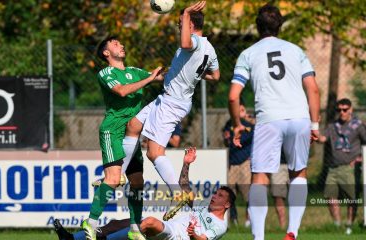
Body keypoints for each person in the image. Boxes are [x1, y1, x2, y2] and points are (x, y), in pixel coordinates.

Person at [118, 0, 220, 221]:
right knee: (133, 125)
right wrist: (192, 75)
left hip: (172, 103)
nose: (179, 26)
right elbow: (216, 76)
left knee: (154, 152)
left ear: (191, 25)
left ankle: (178, 194)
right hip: (169, 98)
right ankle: (116, 174)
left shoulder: (193, 42)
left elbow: (185, 44)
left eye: (181, 23)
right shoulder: (210, 49)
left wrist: (185, 11)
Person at [228, 3, 320, 240]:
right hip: (299, 117)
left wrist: (237, 123)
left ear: (257, 27)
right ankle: (292, 232)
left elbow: (233, 96)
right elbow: (313, 89)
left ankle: (259, 237)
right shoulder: (296, 50)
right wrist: (315, 125)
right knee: (298, 172)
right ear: (280, 25)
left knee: (260, 177)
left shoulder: (248, 54)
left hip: (269, 118)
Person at [54, 147, 235, 240]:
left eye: (219, 196)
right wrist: (187, 163)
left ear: (227, 205)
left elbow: (203, 239)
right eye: (215, 193)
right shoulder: (203, 206)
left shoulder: (221, 225)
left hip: (177, 237)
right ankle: (72, 238)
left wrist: (194, 234)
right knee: (121, 222)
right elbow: (183, 186)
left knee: (146, 222)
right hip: (169, 228)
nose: (214, 196)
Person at [82, 36, 164, 240]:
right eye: (115, 43)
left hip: (132, 134)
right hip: (113, 131)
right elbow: (121, 91)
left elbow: (162, 76)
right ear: (106, 53)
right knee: (113, 179)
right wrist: (149, 79)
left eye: (121, 43)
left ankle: (135, 229)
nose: (122, 45)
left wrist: (187, 65)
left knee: (137, 182)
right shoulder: (106, 72)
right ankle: (90, 222)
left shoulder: (135, 71)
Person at [316, 98, 366, 234]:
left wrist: (360, 158)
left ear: (350, 110)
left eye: (345, 110)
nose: (342, 112)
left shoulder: (358, 125)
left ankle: (349, 225)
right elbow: (322, 139)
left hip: (349, 168)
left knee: (352, 198)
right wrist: (314, 129)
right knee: (329, 196)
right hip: (333, 167)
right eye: (339, 110)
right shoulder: (333, 126)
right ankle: (337, 225)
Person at [223, 101, 254, 227]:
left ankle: (249, 219)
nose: (239, 112)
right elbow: (227, 141)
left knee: (247, 193)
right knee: (230, 193)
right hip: (232, 163)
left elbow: (242, 139)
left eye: (242, 109)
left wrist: (231, 137)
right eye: (237, 109)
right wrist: (227, 138)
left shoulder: (248, 125)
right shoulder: (228, 125)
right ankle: (233, 219)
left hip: (244, 163)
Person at [270, 152, 289, 229]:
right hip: (278, 163)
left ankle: (295, 226)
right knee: (278, 195)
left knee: (297, 197)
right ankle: (283, 227)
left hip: (297, 163)